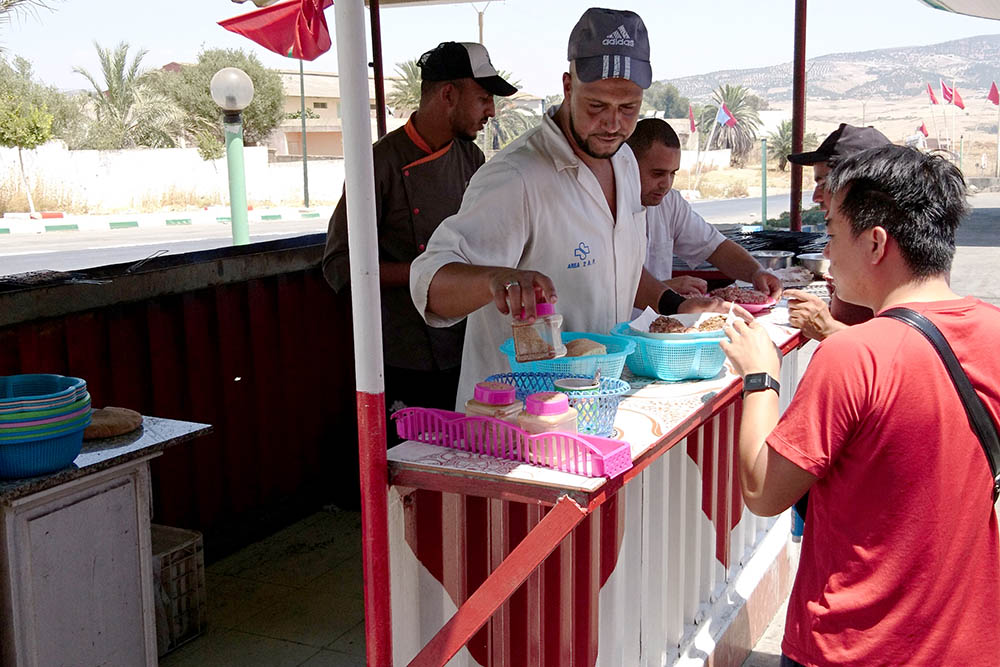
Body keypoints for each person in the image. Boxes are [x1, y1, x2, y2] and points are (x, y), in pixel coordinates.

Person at [720, 144, 1000, 666]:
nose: (827, 254)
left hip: (853, 646)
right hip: (967, 641)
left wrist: (760, 375)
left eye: (830, 233)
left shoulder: (854, 354)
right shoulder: (993, 330)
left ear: (875, 243)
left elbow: (762, 491)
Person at [409, 8, 739, 407]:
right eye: (596, 106)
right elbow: (430, 284)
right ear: (568, 86)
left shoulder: (624, 162)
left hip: (601, 399)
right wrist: (494, 279)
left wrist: (675, 305)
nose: (613, 124)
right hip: (519, 418)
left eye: (628, 108)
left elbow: (618, 267)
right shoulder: (517, 176)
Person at [322, 41, 516, 417]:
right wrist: (426, 274)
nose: (491, 111)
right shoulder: (378, 164)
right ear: (447, 95)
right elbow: (338, 266)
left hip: (465, 345)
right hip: (404, 353)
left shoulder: (471, 157)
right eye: (483, 98)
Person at [626, 118, 783, 300]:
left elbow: (715, 247)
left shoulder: (670, 203)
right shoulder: (603, 207)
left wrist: (756, 272)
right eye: (657, 174)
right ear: (628, 165)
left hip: (655, 324)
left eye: (673, 173)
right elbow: (602, 287)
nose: (666, 184)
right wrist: (665, 289)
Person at [783, 123, 891, 341]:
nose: (816, 197)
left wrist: (829, 330)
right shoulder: (861, 241)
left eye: (824, 183)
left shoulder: (896, 248)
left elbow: (901, 347)